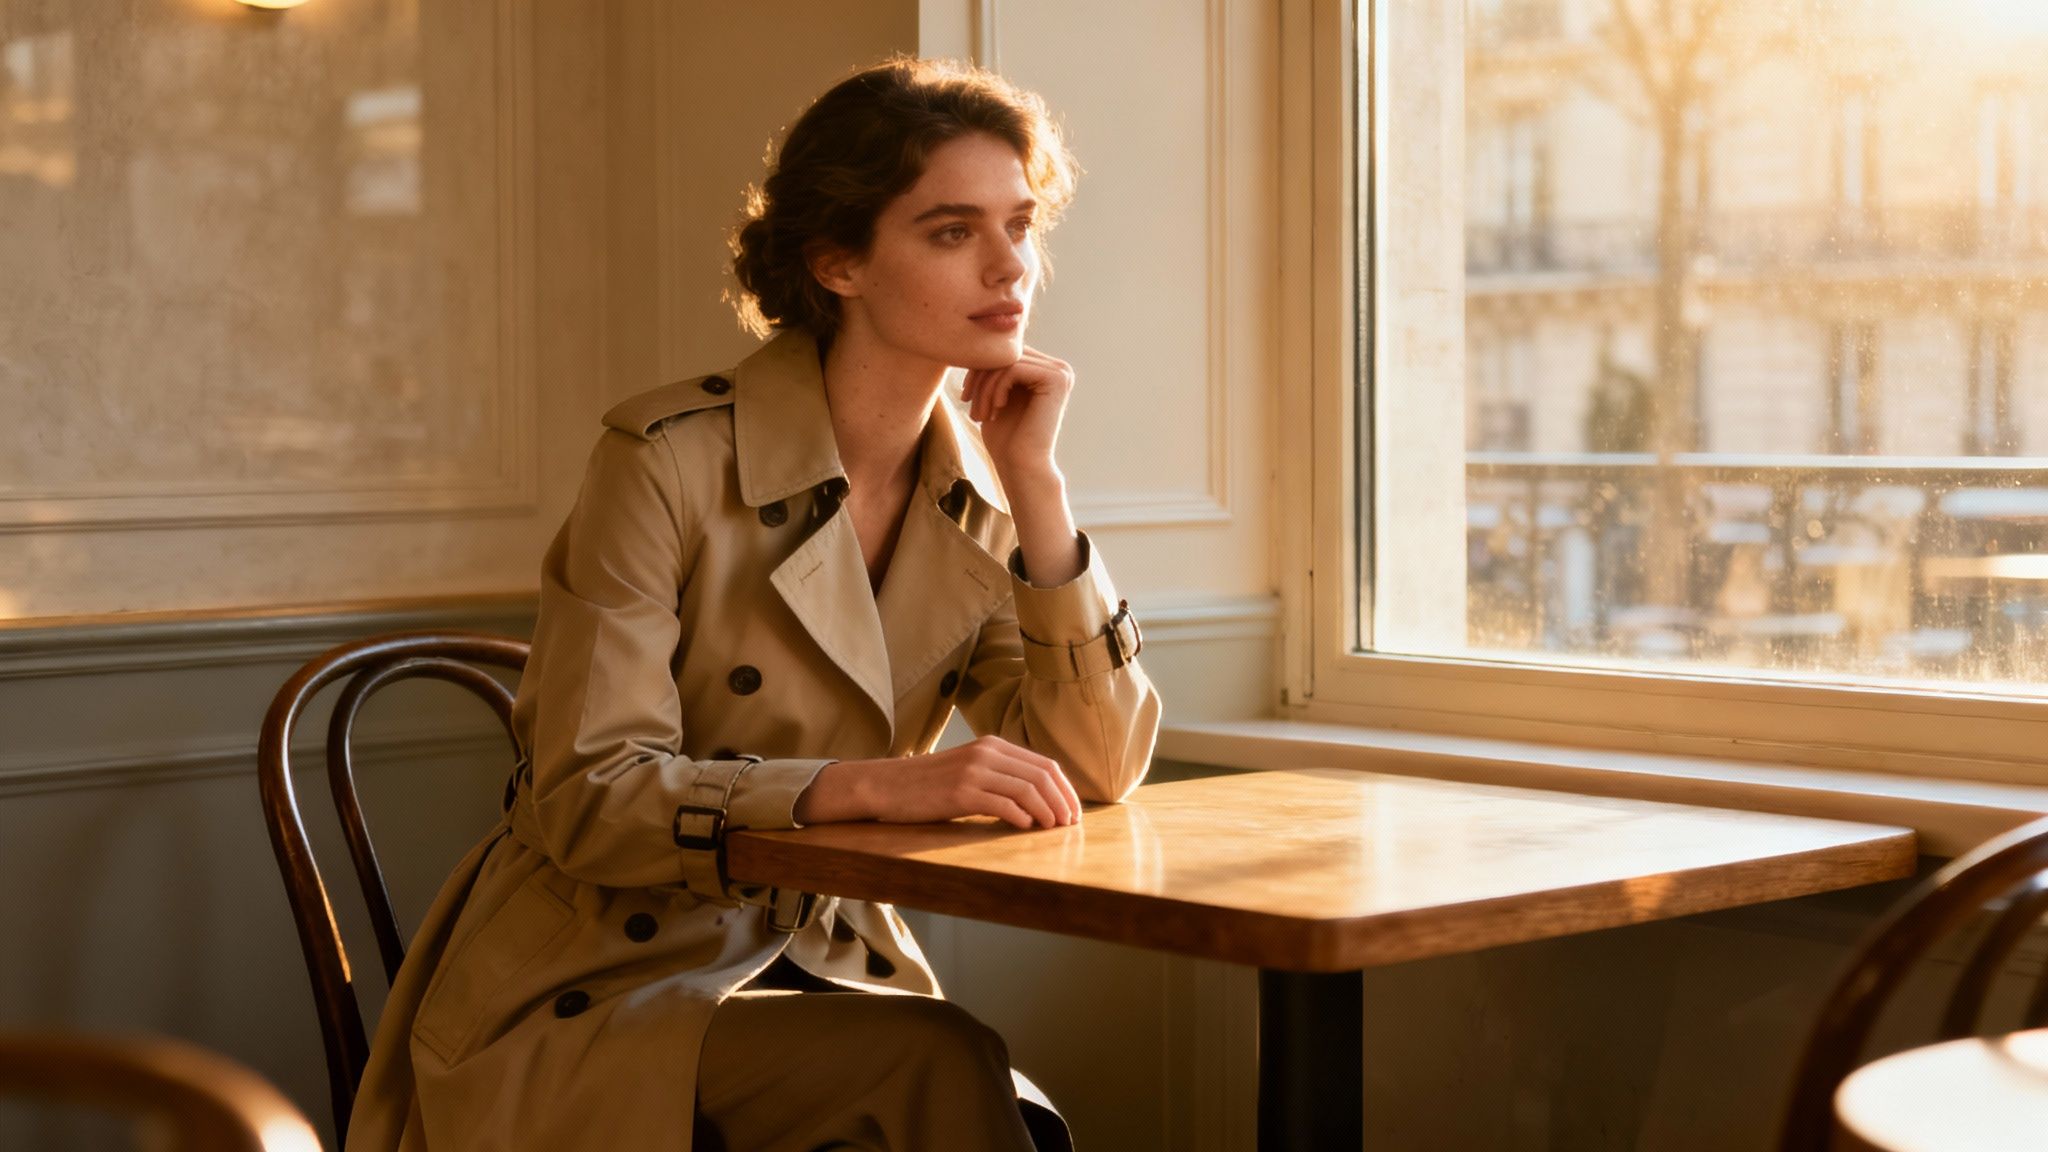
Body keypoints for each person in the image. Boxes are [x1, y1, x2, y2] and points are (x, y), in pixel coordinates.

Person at [345, 56, 1162, 1152]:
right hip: (591, 983)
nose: (1010, 266)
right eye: (951, 231)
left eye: (1020, 224)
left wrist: (1040, 490)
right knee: (943, 1071)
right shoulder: (662, 460)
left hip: (817, 961)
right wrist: (881, 787)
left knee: (978, 1090)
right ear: (836, 262)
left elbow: (1099, 765)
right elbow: (589, 797)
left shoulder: (979, 492)